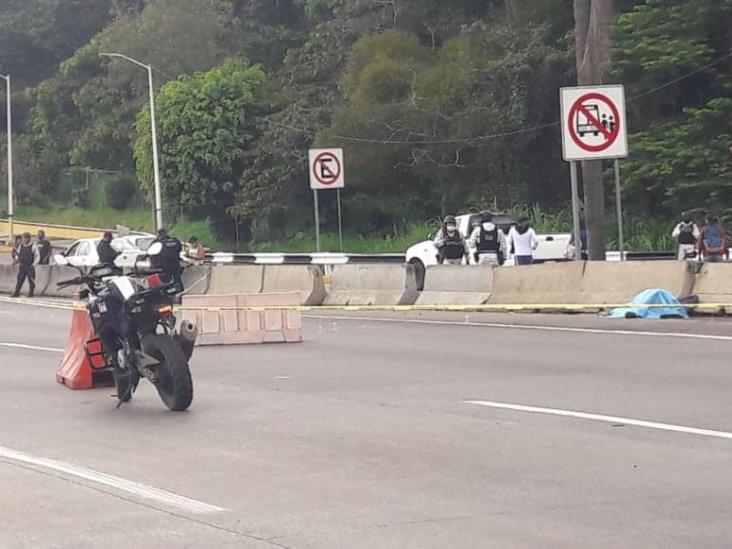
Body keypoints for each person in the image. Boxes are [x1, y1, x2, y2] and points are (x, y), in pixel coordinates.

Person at [11, 232, 39, 298]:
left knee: (31, 280)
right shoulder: (21, 246)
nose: (24, 240)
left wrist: (34, 264)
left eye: (26, 238)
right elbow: (18, 254)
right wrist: (16, 260)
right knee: (20, 279)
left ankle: (31, 293)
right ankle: (16, 292)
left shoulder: (33, 246)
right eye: (24, 238)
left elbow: (37, 256)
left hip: (30, 265)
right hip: (22, 265)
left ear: (29, 238)